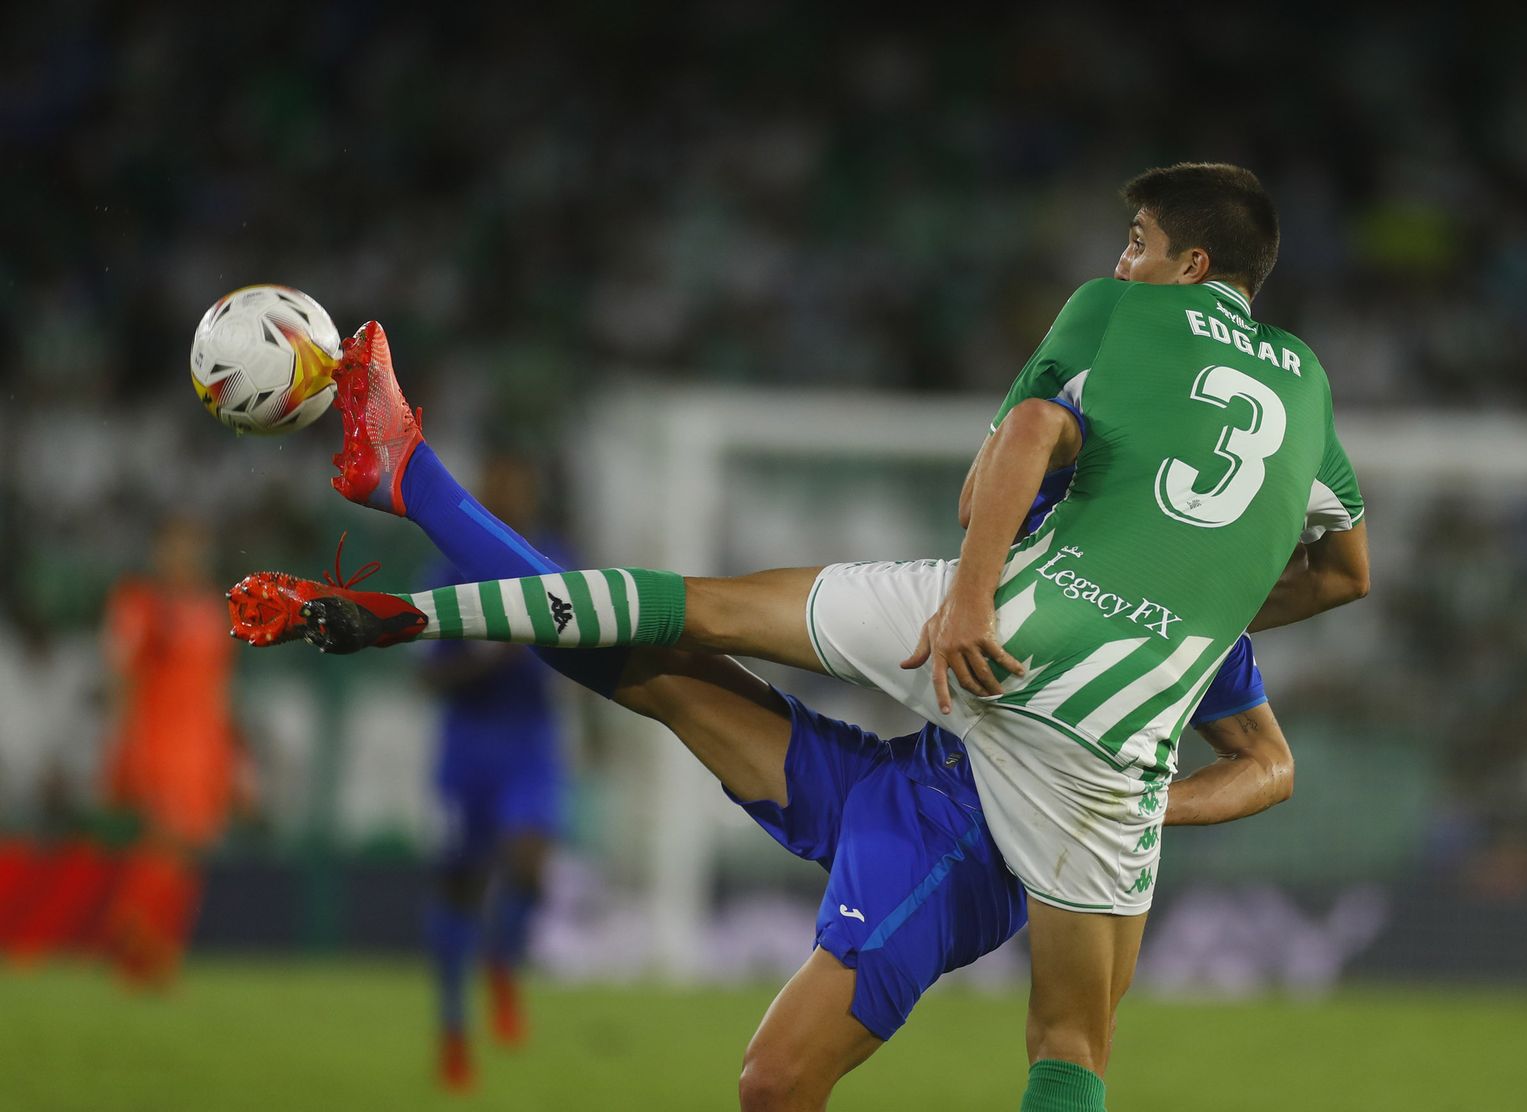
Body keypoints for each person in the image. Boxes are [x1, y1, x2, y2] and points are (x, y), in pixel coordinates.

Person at [233, 162, 1369, 1111]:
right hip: (906, 770)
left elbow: (1266, 761)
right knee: (644, 657)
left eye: (1135, 245)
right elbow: (1313, 575)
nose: (1121, 265)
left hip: (964, 838)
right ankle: (410, 478)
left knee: (775, 1082)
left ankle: (409, 492)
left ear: (1187, 273)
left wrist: (1138, 790)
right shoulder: (1105, 520)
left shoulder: (1169, 595)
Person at [417, 454, 570, 1091]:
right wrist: (492, 659)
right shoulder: (452, 570)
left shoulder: (554, 558)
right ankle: (454, 1028)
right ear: (483, 490)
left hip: (530, 744)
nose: (513, 493)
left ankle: (503, 961)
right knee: (462, 885)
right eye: (502, 481)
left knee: (530, 869)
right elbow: (426, 674)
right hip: (469, 746)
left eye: (521, 482)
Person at [100, 513, 243, 984]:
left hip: (204, 742)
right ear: (160, 553)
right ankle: (132, 932)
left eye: (193, 547)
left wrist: (229, 752)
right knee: (165, 840)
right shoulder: (143, 604)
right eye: (176, 547)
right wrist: (124, 744)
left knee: (188, 849)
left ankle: (153, 947)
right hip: (159, 738)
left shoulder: (212, 607)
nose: (185, 557)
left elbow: (220, 686)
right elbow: (124, 676)